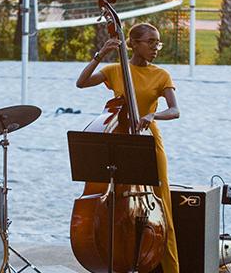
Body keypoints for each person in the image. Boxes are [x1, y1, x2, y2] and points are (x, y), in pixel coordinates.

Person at [75, 22, 181, 273]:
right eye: (151, 42)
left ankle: (169, 267)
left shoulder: (161, 74)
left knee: (161, 204)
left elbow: (175, 110)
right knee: (120, 204)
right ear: (133, 44)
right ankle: (124, 259)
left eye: (158, 42)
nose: (156, 47)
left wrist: (153, 116)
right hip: (121, 140)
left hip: (149, 142)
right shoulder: (114, 70)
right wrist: (101, 54)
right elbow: (82, 82)